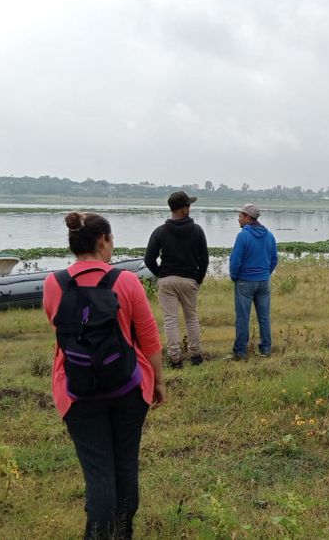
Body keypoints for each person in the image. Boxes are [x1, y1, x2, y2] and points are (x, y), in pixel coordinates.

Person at [43, 212, 164, 539]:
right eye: (111, 240)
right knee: (125, 466)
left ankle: (98, 533)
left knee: (99, 474)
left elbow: (60, 331)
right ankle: (123, 533)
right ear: (103, 242)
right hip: (128, 387)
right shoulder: (126, 281)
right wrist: (160, 382)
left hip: (77, 391)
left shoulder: (53, 284)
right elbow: (149, 338)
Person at [144, 191, 209, 369]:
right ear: (183, 209)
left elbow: (149, 259)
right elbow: (204, 259)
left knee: (170, 320)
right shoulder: (197, 230)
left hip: (167, 279)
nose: (190, 208)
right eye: (188, 205)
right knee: (191, 318)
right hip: (189, 280)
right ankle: (196, 355)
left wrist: (161, 274)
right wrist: (199, 279)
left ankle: (175, 359)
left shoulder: (160, 231)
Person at [230, 203, 279, 360]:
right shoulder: (269, 235)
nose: (238, 219)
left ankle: (240, 351)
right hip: (264, 281)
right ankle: (266, 348)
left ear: (248, 218)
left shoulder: (243, 236)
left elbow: (235, 261)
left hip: (245, 281)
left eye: (240, 216)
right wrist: (266, 273)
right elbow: (274, 259)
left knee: (243, 318)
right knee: (264, 317)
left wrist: (234, 277)